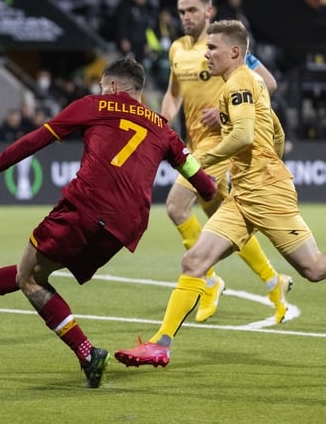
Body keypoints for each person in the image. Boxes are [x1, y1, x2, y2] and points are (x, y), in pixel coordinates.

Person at [0, 57, 217, 388]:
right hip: (127, 226)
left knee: (31, 279)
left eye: (102, 86)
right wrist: (215, 193)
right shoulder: (163, 128)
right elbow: (201, 179)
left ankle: (86, 352)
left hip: (86, 205)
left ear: (113, 87)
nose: (100, 90)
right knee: (33, 271)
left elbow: (35, 140)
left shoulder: (95, 105)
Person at [114, 20, 326, 369]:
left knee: (315, 269)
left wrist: (198, 160)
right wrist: (268, 158)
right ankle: (159, 345)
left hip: (268, 194)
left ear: (234, 52)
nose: (206, 54)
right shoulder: (247, 84)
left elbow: (242, 136)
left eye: (212, 48)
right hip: (244, 195)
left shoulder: (240, 81)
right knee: (194, 262)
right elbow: (275, 130)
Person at [161, 0, 289, 325]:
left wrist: (226, 114)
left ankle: (208, 279)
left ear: (208, 12)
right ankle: (273, 282)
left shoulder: (225, 49)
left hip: (221, 147)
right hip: (195, 143)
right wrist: (163, 121)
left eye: (191, 10)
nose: (186, 17)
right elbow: (174, 94)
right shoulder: (176, 50)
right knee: (228, 220)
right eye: (181, 12)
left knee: (175, 205)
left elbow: (269, 84)